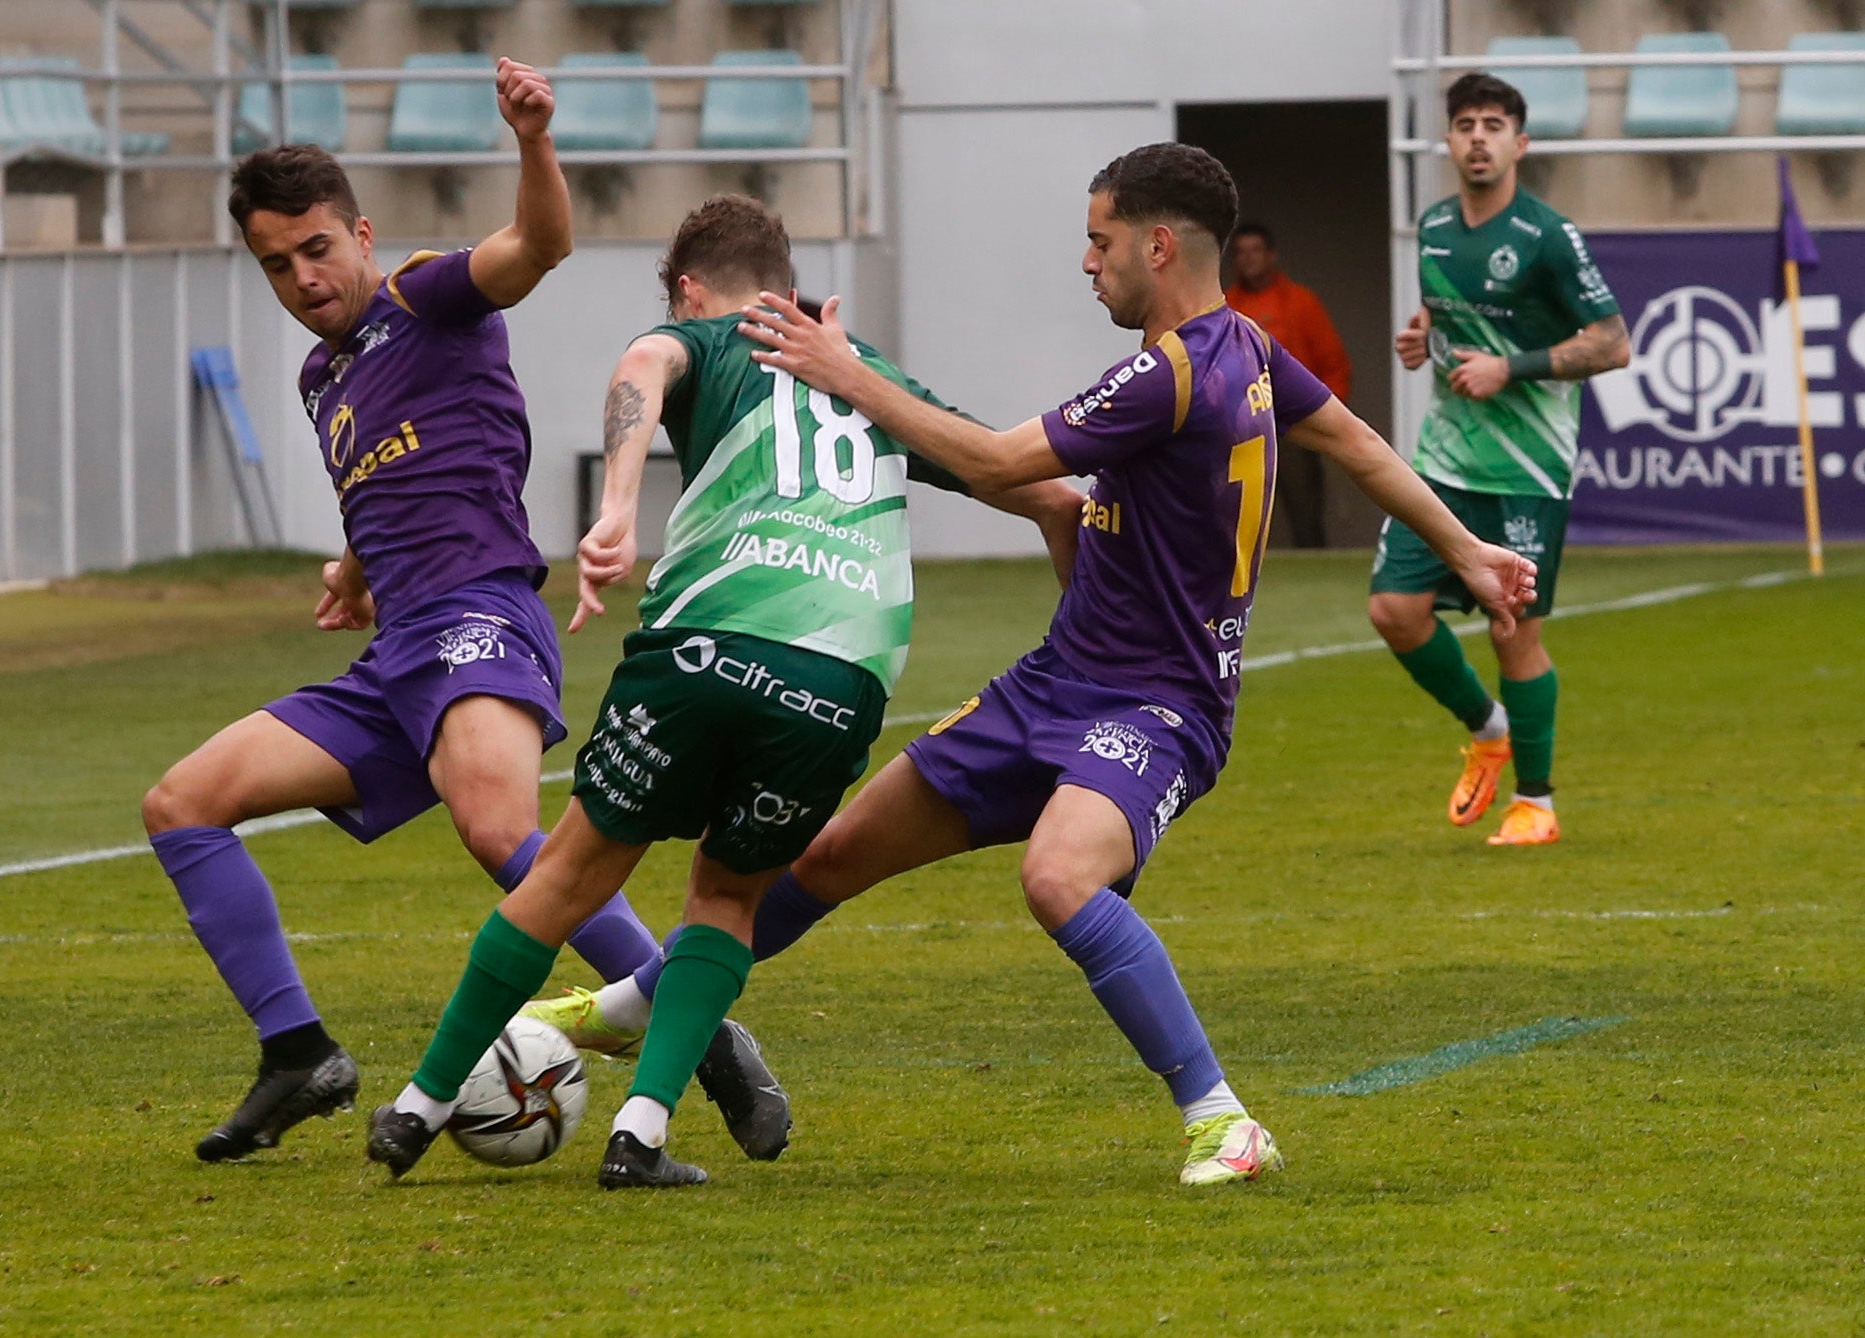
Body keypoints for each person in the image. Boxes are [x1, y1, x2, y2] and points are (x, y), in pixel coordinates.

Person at [538, 142, 1536, 1188]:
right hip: (1054, 684)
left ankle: (1223, 1121)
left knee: (1057, 876)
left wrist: (850, 377)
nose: (1086, 263)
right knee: (827, 858)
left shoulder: (1169, 372)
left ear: (1157, 245)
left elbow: (992, 462)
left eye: (1099, 242)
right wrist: (1464, 546)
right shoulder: (1242, 344)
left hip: (1159, 708)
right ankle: (631, 1007)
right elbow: (1357, 443)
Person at [362, 193, 1089, 1188]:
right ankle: (641, 1136)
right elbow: (1046, 492)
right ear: (791, 293)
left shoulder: (700, 335)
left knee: (568, 872)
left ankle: (417, 1107)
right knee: (726, 893)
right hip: (836, 680)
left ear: (693, 290)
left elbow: (638, 368)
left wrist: (618, 504)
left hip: (702, 650)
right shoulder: (869, 374)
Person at [140, 62, 682, 1164]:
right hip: (397, 657)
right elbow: (389, 482)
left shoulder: (426, 296)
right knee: (182, 803)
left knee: (496, 828)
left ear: (360, 232)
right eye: (275, 263)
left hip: (479, 617)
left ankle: (693, 1025)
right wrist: (351, 565)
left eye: (316, 249)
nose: (300, 277)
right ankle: (299, 1054)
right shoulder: (317, 378)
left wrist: (532, 142)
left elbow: (536, 250)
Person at [1382, 72, 1629, 847]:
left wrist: (1508, 367)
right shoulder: (1433, 227)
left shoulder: (1548, 236)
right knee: (1393, 610)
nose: (1479, 137)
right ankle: (1487, 728)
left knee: (1511, 629)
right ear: (1448, 142)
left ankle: (1537, 804)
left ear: (1520, 144)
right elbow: (1446, 313)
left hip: (1527, 468)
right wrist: (1429, 341)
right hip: (1444, 460)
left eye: (1494, 125)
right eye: (1465, 124)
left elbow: (1613, 343)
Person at [1224, 221, 1352, 547]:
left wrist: (1329, 421)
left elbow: (1334, 364)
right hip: (1239, 428)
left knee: (1305, 513)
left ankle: (1315, 580)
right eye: (1241, 253)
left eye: (1255, 251)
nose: (1248, 259)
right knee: (1231, 515)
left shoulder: (1301, 303)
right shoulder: (1224, 308)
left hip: (1295, 424)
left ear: (1271, 255)